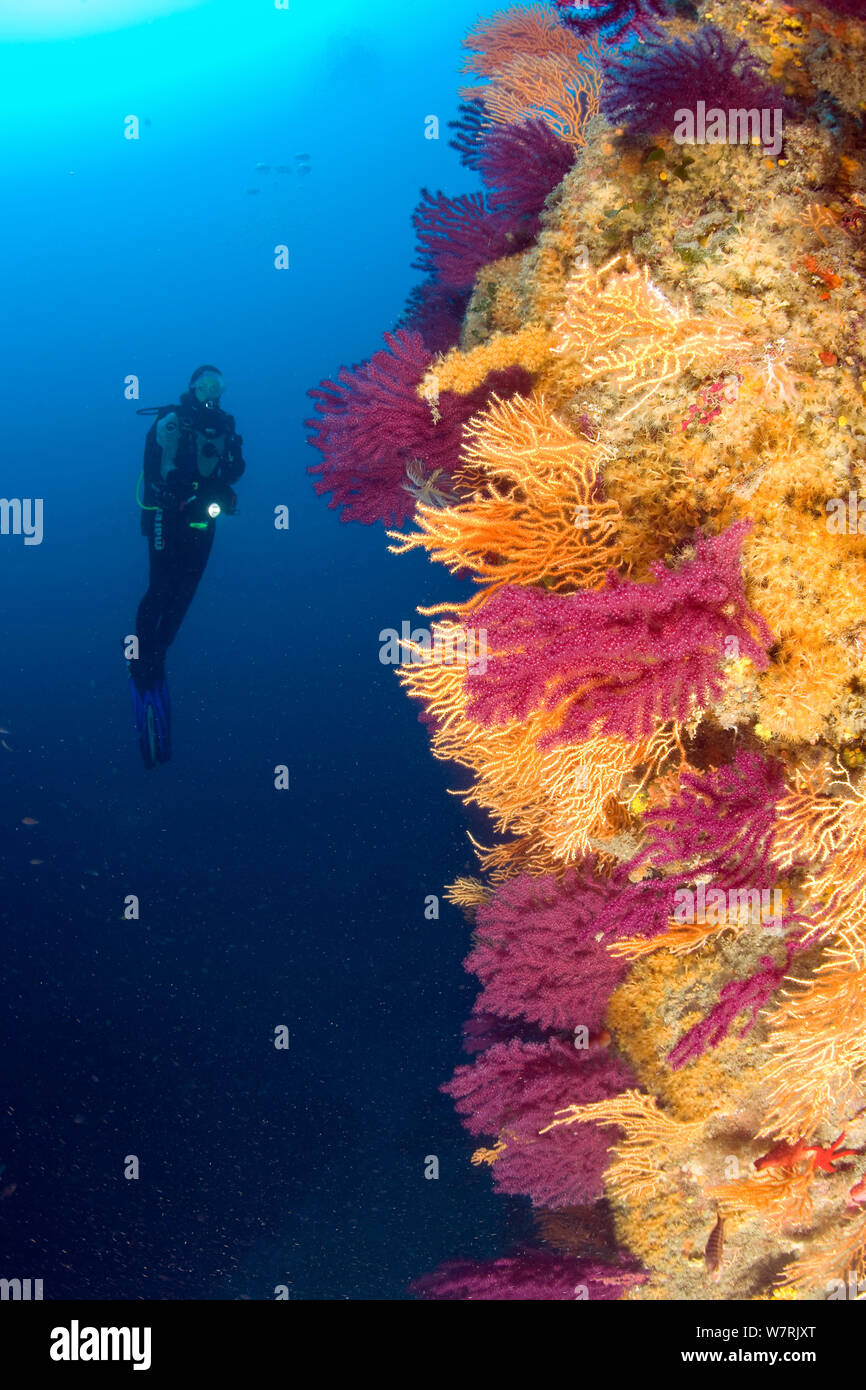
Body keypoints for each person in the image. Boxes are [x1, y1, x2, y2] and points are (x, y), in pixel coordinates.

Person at [129, 365, 245, 767]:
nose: (211, 390)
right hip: (167, 516)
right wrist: (190, 489)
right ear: (192, 387)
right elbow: (161, 471)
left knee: (185, 594)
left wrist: (226, 480)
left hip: (203, 519)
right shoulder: (173, 421)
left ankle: (157, 657)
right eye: (204, 384)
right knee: (161, 589)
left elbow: (232, 471)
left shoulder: (224, 425)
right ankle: (140, 659)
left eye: (218, 384)